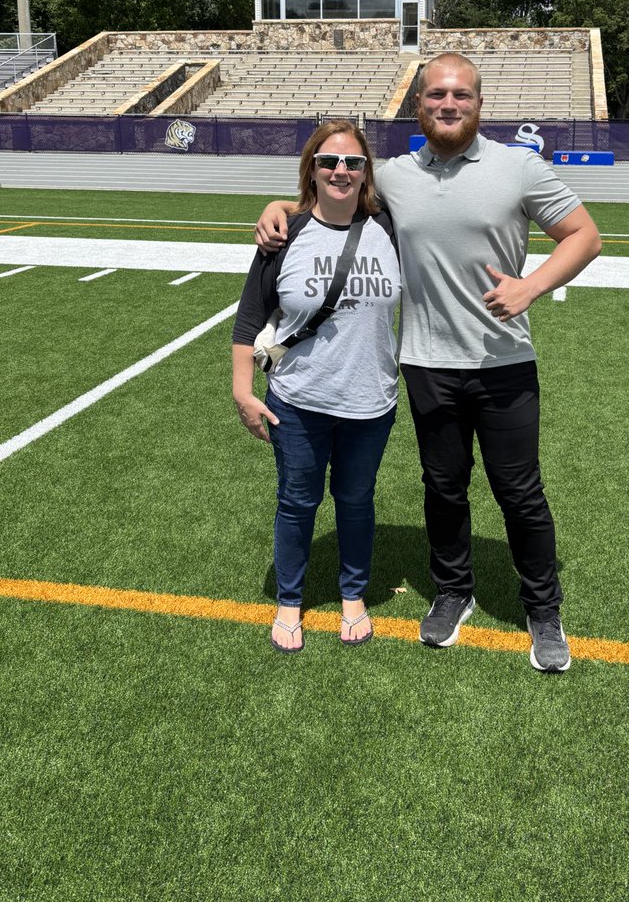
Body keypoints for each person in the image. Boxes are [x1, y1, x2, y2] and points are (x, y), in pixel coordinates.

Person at [255, 54, 601, 671]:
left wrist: (531, 286)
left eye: (461, 95)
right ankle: (452, 591)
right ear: (418, 105)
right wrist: (281, 204)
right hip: (425, 363)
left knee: (519, 492)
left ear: (478, 103)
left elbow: (585, 235)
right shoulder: (393, 175)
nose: (448, 104)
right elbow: (336, 188)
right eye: (436, 94)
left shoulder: (517, 167)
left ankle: (543, 612)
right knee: (443, 488)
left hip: (503, 361)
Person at [233, 120, 400, 653]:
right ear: (312, 168)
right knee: (297, 502)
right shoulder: (286, 234)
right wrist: (243, 392)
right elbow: (248, 317)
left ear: (366, 171)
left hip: (370, 402)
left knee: (356, 501)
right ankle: (290, 602)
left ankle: (353, 596)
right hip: (298, 402)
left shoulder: (390, 227)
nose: (341, 171)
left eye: (352, 162)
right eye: (328, 161)